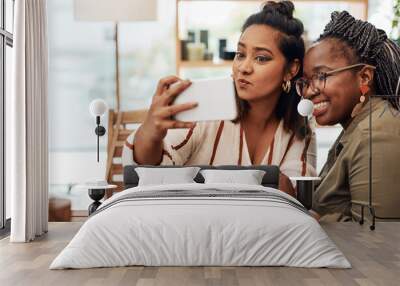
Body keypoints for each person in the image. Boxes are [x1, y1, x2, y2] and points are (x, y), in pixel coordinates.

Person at [123, 1, 317, 196]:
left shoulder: (300, 131)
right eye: (240, 54)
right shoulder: (206, 107)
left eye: (261, 58)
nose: (243, 67)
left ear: (291, 69)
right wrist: (151, 132)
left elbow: (296, 201)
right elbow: (149, 171)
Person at [297, 11, 400, 221]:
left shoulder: (376, 135)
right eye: (306, 81)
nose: (309, 91)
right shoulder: (356, 125)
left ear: (364, 77)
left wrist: (315, 220)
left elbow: (379, 243)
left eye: (321, 76)